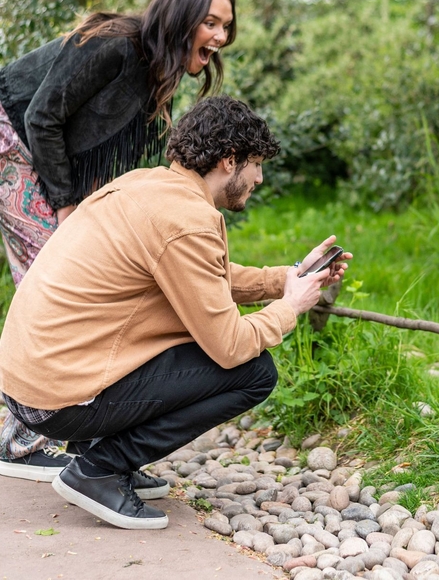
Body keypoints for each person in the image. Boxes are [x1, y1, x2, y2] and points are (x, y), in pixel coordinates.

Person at [0, 95, 350, 529]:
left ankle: (101, 457)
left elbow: (205, 277)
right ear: (228, 160)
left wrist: (289, 276)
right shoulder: (185, 219)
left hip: (30, 386)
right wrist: (289, 307)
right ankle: (99, 469)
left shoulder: (148, 186)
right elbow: (230, 347)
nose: (259, 177)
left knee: (203, 339)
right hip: (58, 400)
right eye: (256, 163)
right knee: (254, 371)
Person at [0, 0, 238, 481]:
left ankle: (84, 440)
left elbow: (146, 166)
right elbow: (43, 116)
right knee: (56, 267)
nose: (220, 38)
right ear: (181, 17)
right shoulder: (115, 47)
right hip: (13, 143)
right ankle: (19, 441)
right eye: (211, 23)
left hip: (46, 156)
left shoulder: (162, 74)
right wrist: (66, 206)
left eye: (226, 27)